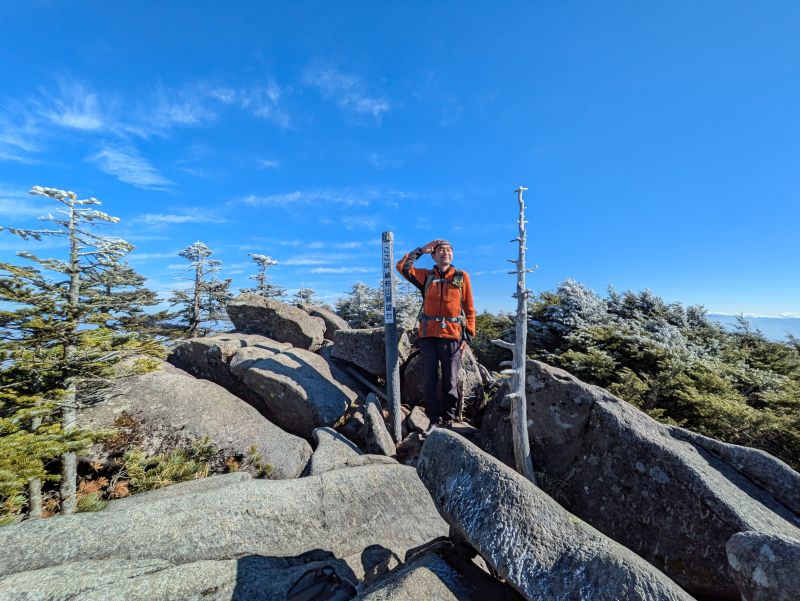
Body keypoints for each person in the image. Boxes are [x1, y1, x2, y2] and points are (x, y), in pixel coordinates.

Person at [397, 239, 476, 430]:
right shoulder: (426, 276)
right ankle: (433, 418)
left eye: (449, 250)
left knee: (450, 380)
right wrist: (420, 250)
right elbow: (402, 267)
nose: (445, 253)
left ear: (452, 255)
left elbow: (469, 308)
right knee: (429, 380)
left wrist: (467, 336)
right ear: (434, 255)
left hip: (452, 336)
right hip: (428, 336)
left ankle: (449, 419)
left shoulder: (461, 276)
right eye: (441, 250)